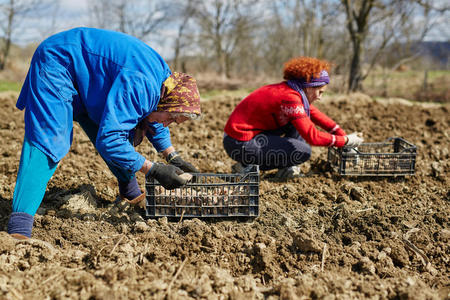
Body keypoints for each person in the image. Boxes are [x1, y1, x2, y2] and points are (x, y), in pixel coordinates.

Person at [7, 27, 201, 240]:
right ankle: (19, 227)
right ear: (168, 101)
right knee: (50, 140)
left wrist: (172, 156)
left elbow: (155, 116)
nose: (169, 124)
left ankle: (130, 193)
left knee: (121, 133)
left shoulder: (165, 85)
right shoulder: (142, 84)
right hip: (58, 62)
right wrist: (153, 170)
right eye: (172, 118)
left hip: (88, 81)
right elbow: (110, 140)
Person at [223, 56, 363, 179]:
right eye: (320, 92)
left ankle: (286, 168)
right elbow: (312, 137)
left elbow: (317, 116)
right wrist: (345, 141)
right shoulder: (290, 98)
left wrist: (343, 135)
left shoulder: (291, 90)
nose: (320, 97)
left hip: (246, 137)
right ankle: (246, 166)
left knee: (300, 122)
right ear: (309, 87)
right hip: (239, 142)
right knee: (303, 151)